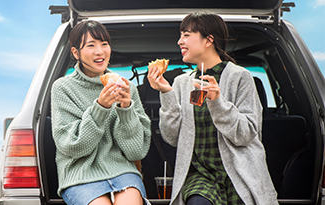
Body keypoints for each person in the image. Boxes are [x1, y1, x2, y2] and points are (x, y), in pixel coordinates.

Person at [147, 11, 278, 205]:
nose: (179, 41)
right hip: (200, 176)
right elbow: (171, 137)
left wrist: (218, 102)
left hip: (239, 172)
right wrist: (167, 93)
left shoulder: (240, 77)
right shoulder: (181, 83)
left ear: (208, 40)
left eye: (186, 35)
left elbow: (247, 134)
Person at [51, 20, 151, 205]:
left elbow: (136, 152)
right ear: (76, 53)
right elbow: (72, 147)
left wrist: (126, 108)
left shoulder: (127, 87)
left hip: (122, 171)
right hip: (80, 175)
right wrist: (101, 108)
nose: (100, 51)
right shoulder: (63, 88)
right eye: (91, 45)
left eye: (104, 44)